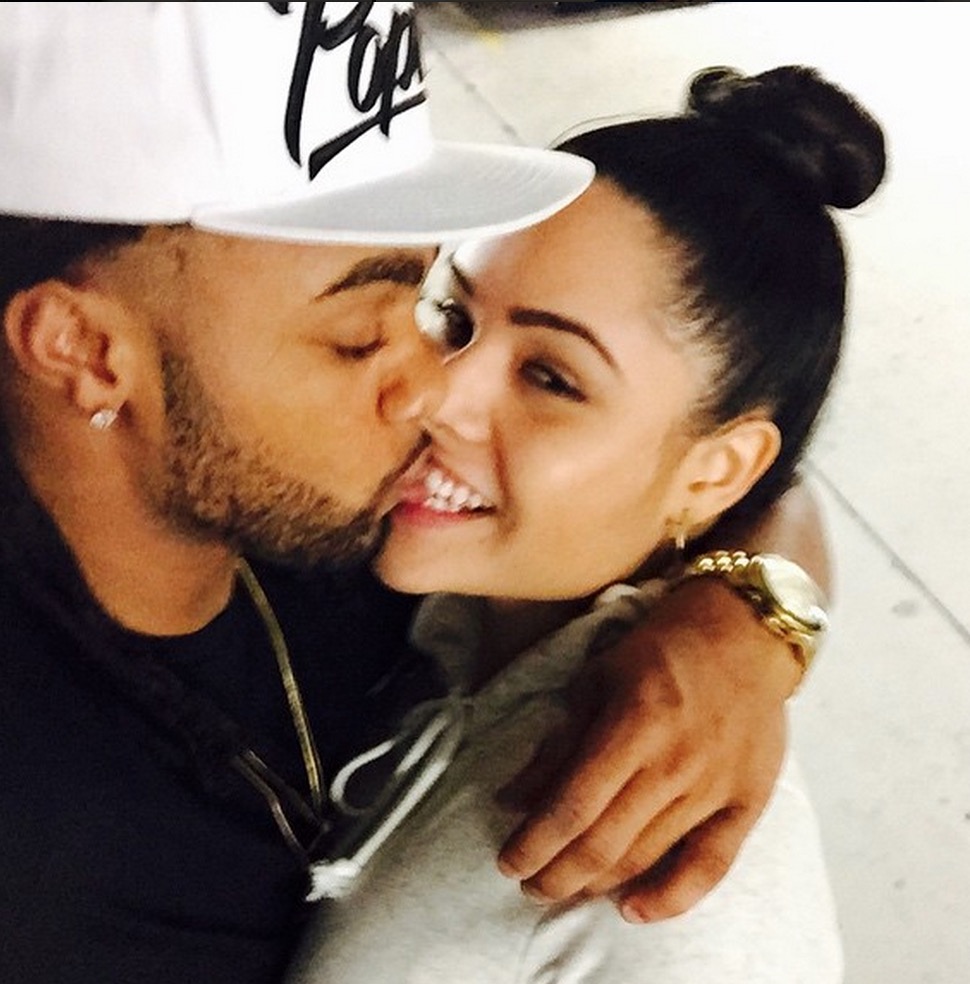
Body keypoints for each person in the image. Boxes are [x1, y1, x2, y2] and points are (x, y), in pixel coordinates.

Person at [0, 3, 831, 982]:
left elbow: (757, 479)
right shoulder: (56, 863)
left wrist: (750, 618)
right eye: (359, 336)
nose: (435, 388)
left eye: (425, 306)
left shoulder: (345, 520)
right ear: (87, 351)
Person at [286, 64, 886, 983]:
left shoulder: (671, 883)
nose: (437, 394)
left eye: (551, 378)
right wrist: (756, 612)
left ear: (716, 472)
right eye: (453, 318)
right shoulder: (453, 614)